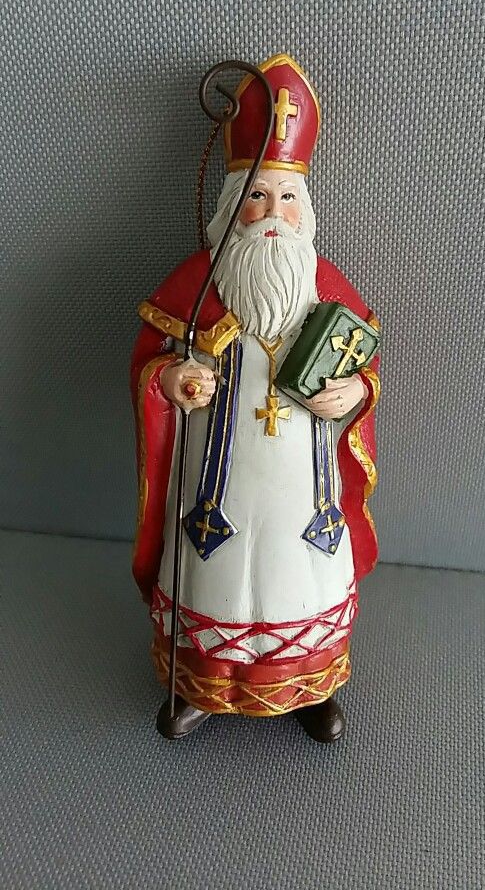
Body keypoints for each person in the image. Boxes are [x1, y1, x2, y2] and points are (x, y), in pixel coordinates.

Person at [130, 54, 380, 743]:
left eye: (287, 197)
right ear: (230, 208)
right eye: (257, 197)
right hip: (217, 494)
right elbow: (150, 362)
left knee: (299, 575)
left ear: (306, 209)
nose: (273, 213)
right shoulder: (197, 285)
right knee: (217, 575)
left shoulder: (325, 285)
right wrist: (171, 382)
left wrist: (354, 393)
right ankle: (200, 685)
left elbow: (366, 367)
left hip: (306, 490)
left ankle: (308, 685)